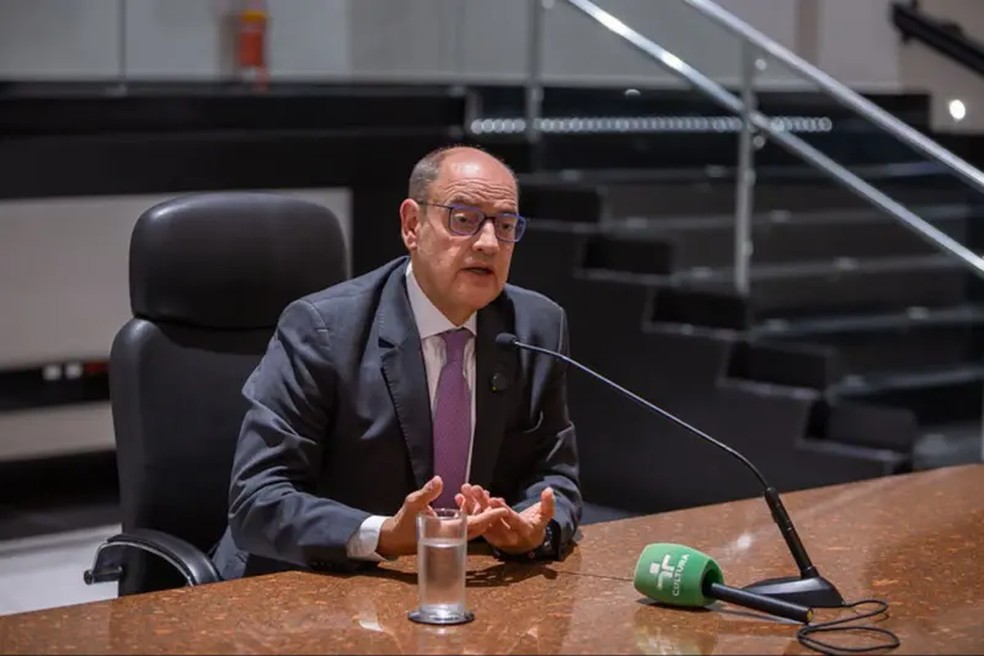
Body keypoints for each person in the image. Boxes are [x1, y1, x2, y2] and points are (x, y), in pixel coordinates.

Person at [211, 145, 582, 578]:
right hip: (311, 583)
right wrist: (383, 534)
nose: (487, 243)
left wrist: (536, 530)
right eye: (463, 219)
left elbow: (555, 475)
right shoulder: (321, 330)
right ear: (412, 225)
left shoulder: (537, 328)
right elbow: (258, 499)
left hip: (462, 587)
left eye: (504, 225)